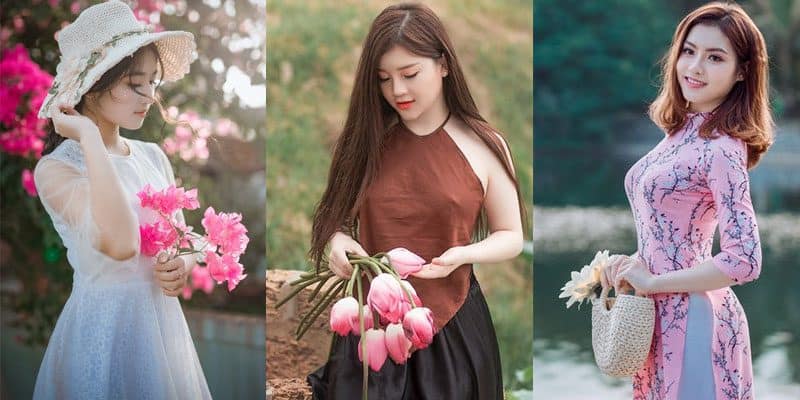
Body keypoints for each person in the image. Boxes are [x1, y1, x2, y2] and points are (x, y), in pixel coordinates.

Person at [306, 3, 526, 399]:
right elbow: (333, 220)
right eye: (384, 79)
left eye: (410, 74)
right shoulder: (366, 143)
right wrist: (338, 242)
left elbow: (510, 234)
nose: (398, 91)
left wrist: (460, 255)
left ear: (443, 64)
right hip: (371, 330)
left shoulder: (485, 145)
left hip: (453, 327)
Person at [32, 1, 210, 398]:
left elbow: (187, 237)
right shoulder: (57, 170)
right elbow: (121, 243)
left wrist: (183, 261)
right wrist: (90, 138)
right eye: (134, 83)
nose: (149, 96)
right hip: (102, 331)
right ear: (92, 85)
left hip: (162, 331)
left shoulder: (152, 156)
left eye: (153, 82)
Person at [601, 2, 773, 399]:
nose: (695, 67)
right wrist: (632, 264)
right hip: (657, 317)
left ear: (741, 72)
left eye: (715, 57)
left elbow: (744, 260)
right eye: (689, 51)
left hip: (697, 320)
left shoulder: (723, 149)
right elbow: (669, 235)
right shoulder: (680, 135)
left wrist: (655, 281)